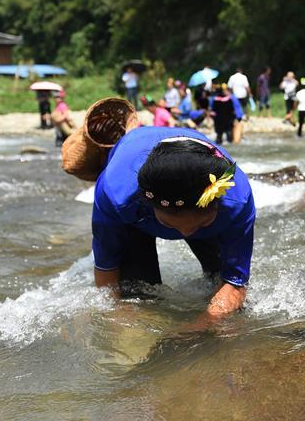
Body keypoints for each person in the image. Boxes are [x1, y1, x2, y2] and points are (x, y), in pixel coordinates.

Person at [92, 127, 254, 325]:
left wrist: (203, 325)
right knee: (137, 297)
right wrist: (115, 314)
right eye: (168, 224)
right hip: (136, 214)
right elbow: (107, 268)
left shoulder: (236, 200)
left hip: (209, 208)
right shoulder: (117, 196)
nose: (186, 232)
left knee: (219, 284)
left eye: (200, 224)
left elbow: (235, 280)